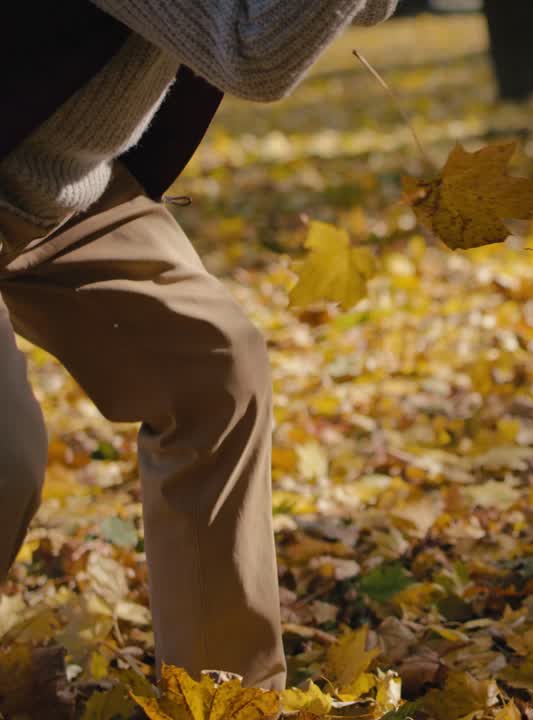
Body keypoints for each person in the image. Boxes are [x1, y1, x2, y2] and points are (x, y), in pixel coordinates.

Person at [0, 0, 399, 691]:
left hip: (57, 189)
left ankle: (222, 696)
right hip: (36, 173)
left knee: (215, 371)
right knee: (5, 459)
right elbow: (252, 54)